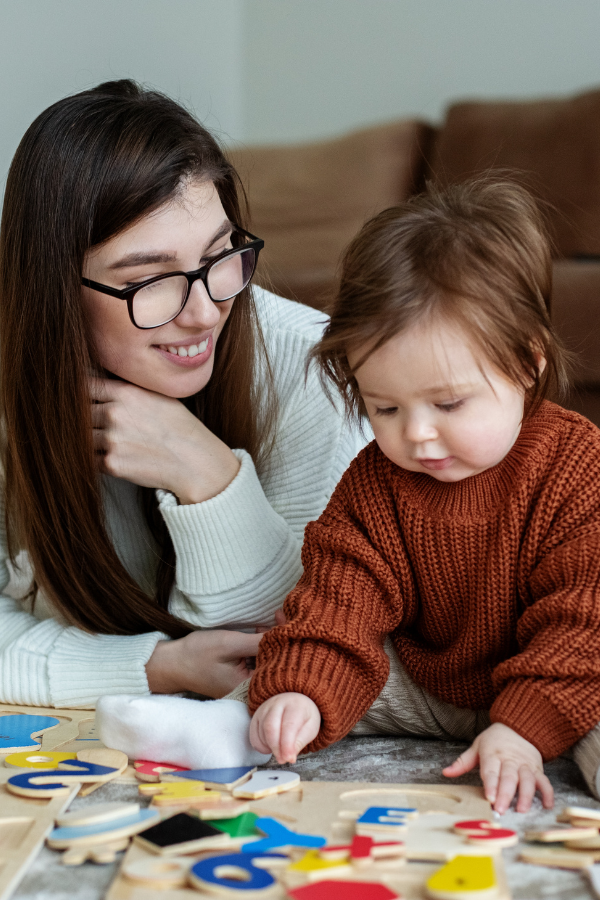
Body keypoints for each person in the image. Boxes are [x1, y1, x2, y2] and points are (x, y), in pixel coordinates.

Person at [0, 80, 365, 748]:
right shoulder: (14, 388)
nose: (204, 311)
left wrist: (209, 477)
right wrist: (156, 666)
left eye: (219, 256)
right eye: (148, 279)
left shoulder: (316, 371)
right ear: (55, 285)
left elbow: (301, 647)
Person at [248, 177, 600, 812]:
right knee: (291, 685)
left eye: (448, 403)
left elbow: (583, 620)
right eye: (383, 407)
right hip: (434, 690)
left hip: (558, 678)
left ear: (526, 363)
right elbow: (338, 600)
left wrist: (522, 728)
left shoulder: (575, 465)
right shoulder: (375, 484)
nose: (416, 434)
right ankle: (233, 730)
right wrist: (296, 691)